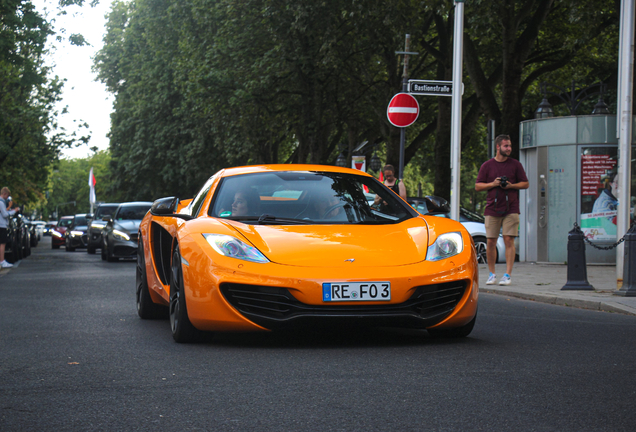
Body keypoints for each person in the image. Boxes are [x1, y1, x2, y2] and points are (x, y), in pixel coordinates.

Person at [475, 135, 528, 286]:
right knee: (490, 241)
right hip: (492, 208)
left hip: (511, 208)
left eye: (510, 146)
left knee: (508, 239)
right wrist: (493, 184)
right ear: (498, 147)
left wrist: (511, 186)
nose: (509, 149)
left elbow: (525, 184)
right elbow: (478, 186)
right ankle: (492, 274)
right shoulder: (487, 165)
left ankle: (507, 275)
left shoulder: (515, 165)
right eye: (506, 146)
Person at [0, 187, 20, 268]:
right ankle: (2, 261)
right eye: (7, 195)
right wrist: (14, 211)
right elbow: (4, 214)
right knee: (2, 243)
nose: (7, 197)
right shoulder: (1, 202)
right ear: (4, 194)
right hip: (1, 225)